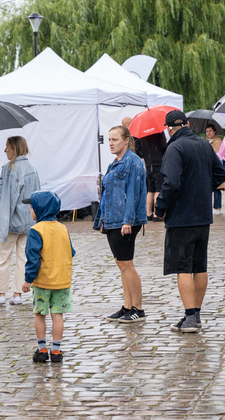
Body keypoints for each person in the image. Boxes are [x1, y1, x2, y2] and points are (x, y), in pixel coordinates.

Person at [155, 110, 225, 333]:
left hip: (181, 216)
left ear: (168, 129)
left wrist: (161, 207)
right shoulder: (204, 145)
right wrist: (204, 190)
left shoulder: (174, 148)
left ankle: (189, 317)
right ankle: (196, 313)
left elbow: (171, 183)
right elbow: (220, 174)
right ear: (186, 123)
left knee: (183, 267)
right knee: (199, 265)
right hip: (203, 215)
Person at [94, 126, 148, 324]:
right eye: (109, 139)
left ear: (127, 140)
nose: (111, 143)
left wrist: (127, 220)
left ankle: (138, 308)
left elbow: (133, 193)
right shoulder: (114, 163)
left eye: (115, 139)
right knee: (122, 264)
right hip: (113, 220)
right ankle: (127, 306)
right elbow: (107, 194)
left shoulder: (132, 162)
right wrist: (102, 219)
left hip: (125, 221)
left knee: (127, 265)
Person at [0, 136, 41, 306]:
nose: (5, 150)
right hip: (29, 220)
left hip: (11, 221)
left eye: (7, 147)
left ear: (14, 148)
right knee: (24, 258)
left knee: (2, 257)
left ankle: (1, 294)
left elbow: (5, 197)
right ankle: (17, 295)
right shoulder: (32, 169)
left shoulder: (9, 169)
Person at [22, 191, 76, 363]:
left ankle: (42, 348)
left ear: (40, 209)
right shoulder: (63, 228)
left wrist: (27, 280)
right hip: (62, 281)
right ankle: (57, 351)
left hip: (43, 282)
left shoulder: (36, 231)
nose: (30, 210)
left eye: (32, 207)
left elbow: (33, 259)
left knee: (40, 314)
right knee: (57, 314)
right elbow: (71, 252)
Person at [135, 131, 167, 220]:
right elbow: (163, 146)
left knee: (150, 190)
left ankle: (148, 213)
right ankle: (156, 214)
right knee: (158, 189)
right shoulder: (159, 132)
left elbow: (139, 151)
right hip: (158, 164)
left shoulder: (142, 134)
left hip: (148, 165)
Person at [205, 125, 224, 215]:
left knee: (217, 188)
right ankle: (213, 206)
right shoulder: (206, 141)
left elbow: (217, 153)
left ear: (214, 131)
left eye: (210, 131)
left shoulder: (218, 141)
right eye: (207, 131)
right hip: (207, 166)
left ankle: (217, 206)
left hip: (215, 166)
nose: (208, 133)